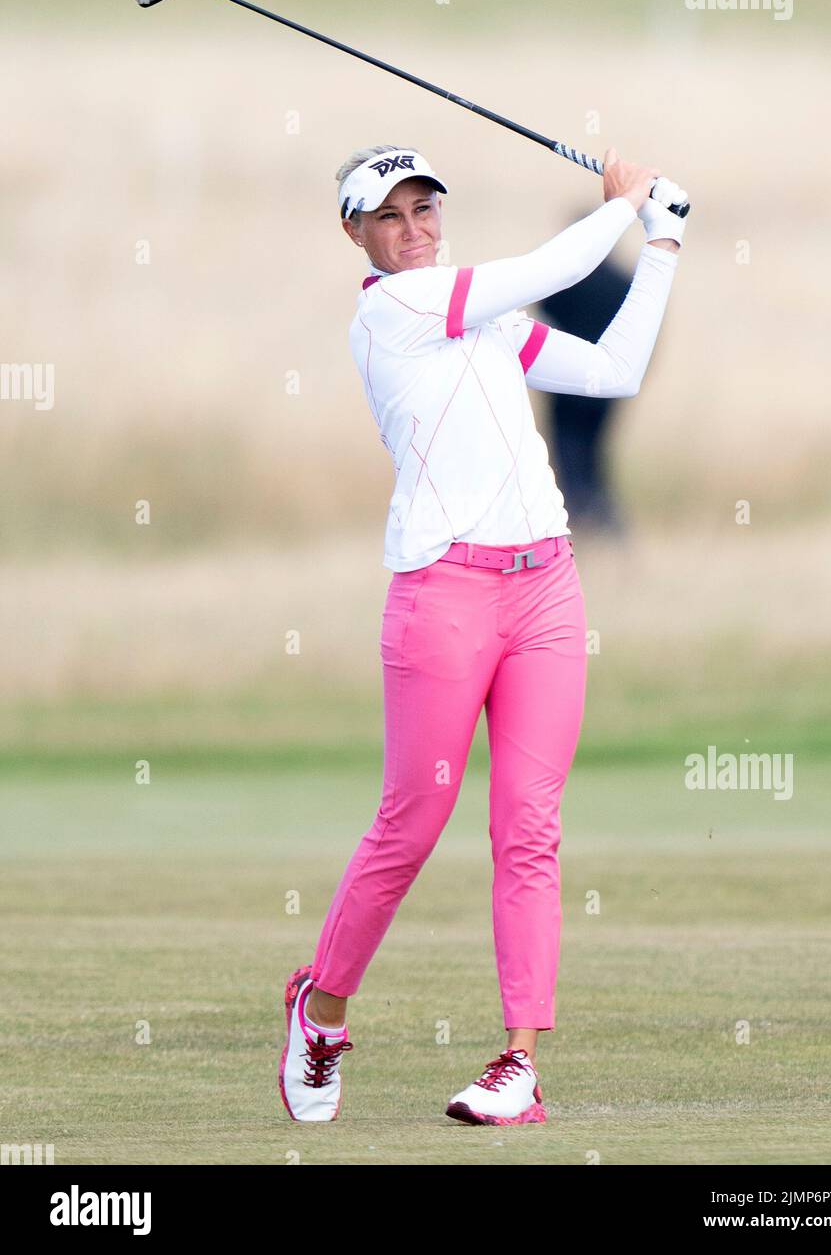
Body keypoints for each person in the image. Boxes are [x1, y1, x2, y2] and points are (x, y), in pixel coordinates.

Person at [279, 143, 689, 1126]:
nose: (413, 231)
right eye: (391, 217)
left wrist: (663, 243)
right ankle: (321, 1009)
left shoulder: (489, 322)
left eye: (425, 212)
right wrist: (628, 206)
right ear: (357, 235)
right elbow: (547, 269)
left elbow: (616, 368)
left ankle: (518, 1064)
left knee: (529, 826)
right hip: (442, 595)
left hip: (545, 585)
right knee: (410, 825)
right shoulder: (396, 312)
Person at [537, 245, 635, 533]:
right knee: (596, 458)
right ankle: (606, 524)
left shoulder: (565, 282)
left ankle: (578, 522)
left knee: (567, 459)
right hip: (607, 393)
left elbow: (543, 313)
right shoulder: (623, 281)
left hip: (565, 391)